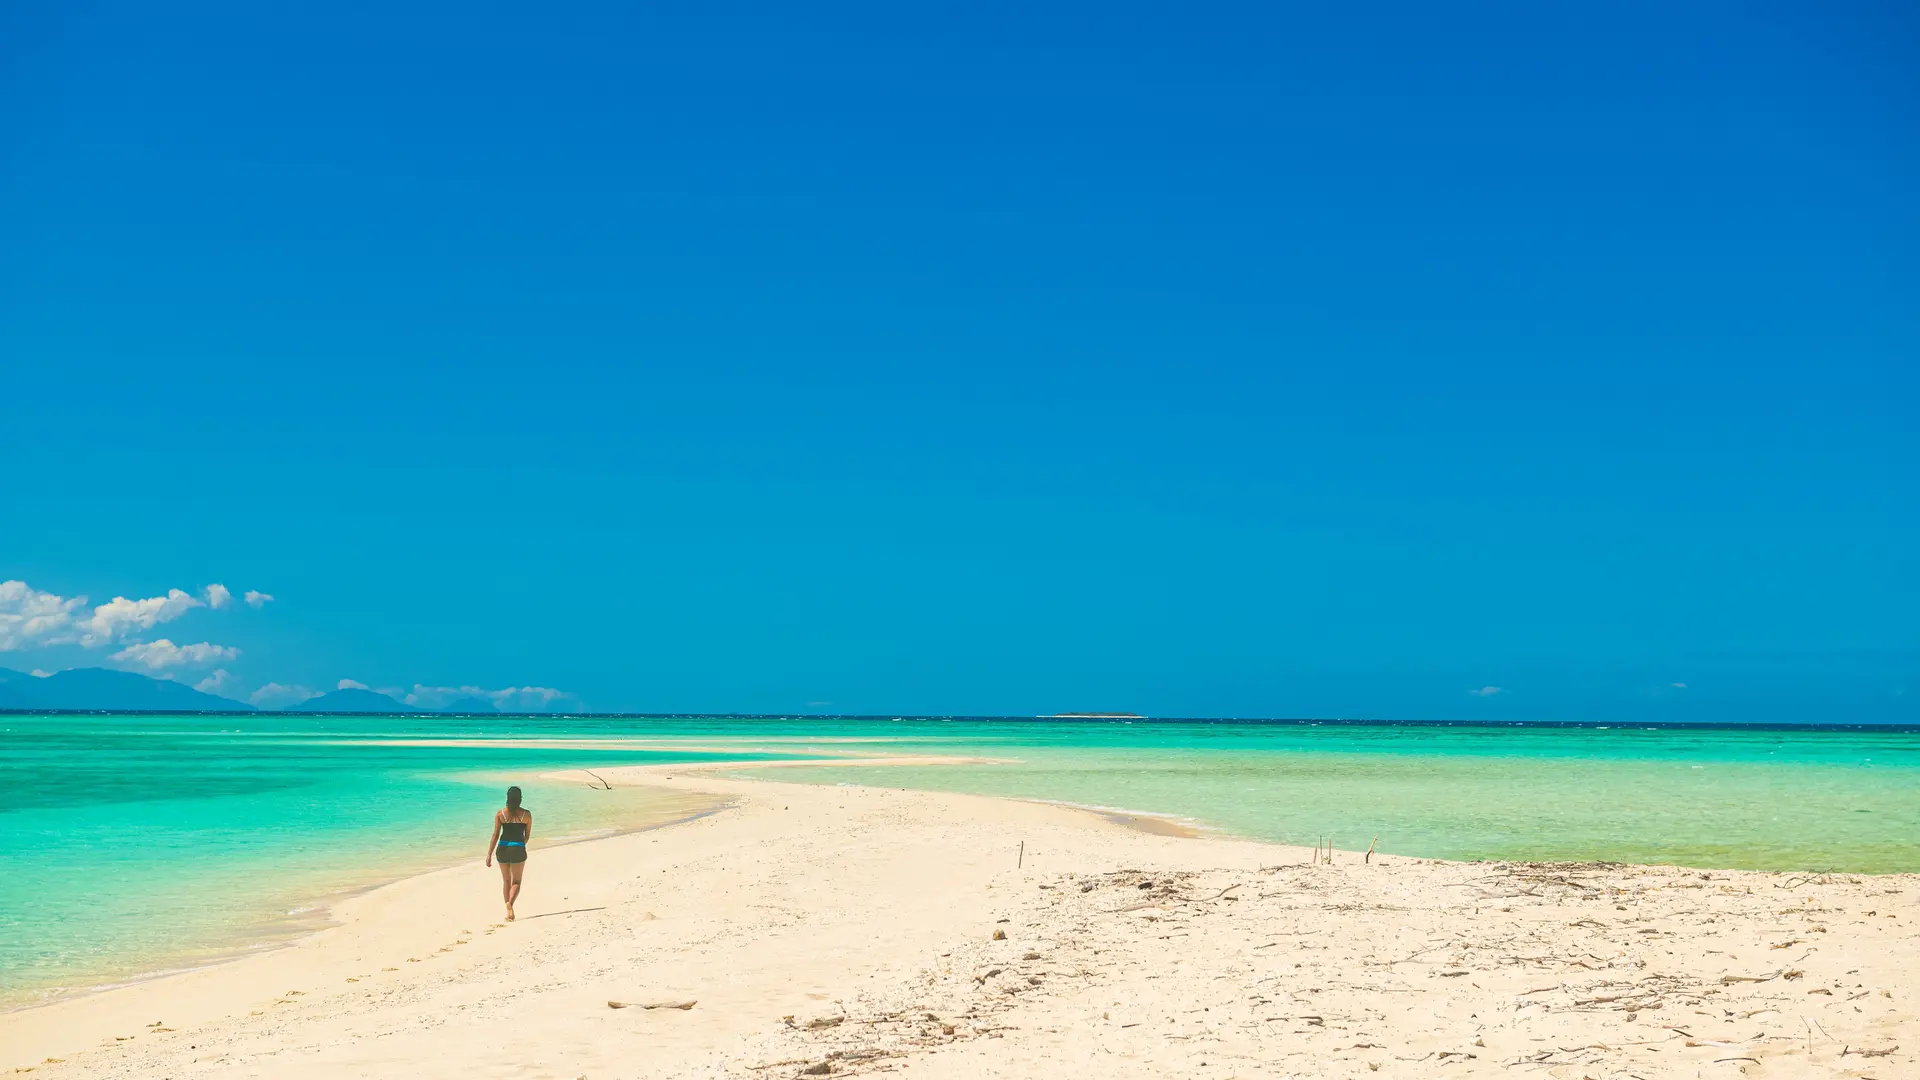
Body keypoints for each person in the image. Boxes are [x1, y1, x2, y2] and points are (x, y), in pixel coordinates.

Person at [485, 786, 532, 920]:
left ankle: (508, 912)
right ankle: (510, 904)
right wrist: (520, 846)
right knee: (516, 881)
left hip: (502, 848)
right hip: (518, 848)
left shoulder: (500, 814)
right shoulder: (526, 814)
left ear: (508, 798)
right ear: (520, 798)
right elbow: (527, 835)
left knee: (506, 881)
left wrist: (489, 854)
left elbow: (495, 835)